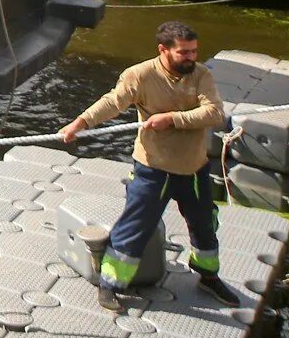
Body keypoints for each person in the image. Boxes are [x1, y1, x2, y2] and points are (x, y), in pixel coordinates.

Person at [59, 21, 238, 311]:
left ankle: (208, 275)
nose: (191, 57)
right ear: (163, 50)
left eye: (194, 51)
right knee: (135, 227)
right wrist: (81, 123)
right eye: (183, 53)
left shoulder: (202, 75)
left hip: (193, 169)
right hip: (153, 168)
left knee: (205, 225)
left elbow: (214, 113)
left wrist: (172, 119)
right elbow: (113, 102)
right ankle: (110, 283)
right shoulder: (140, 75)